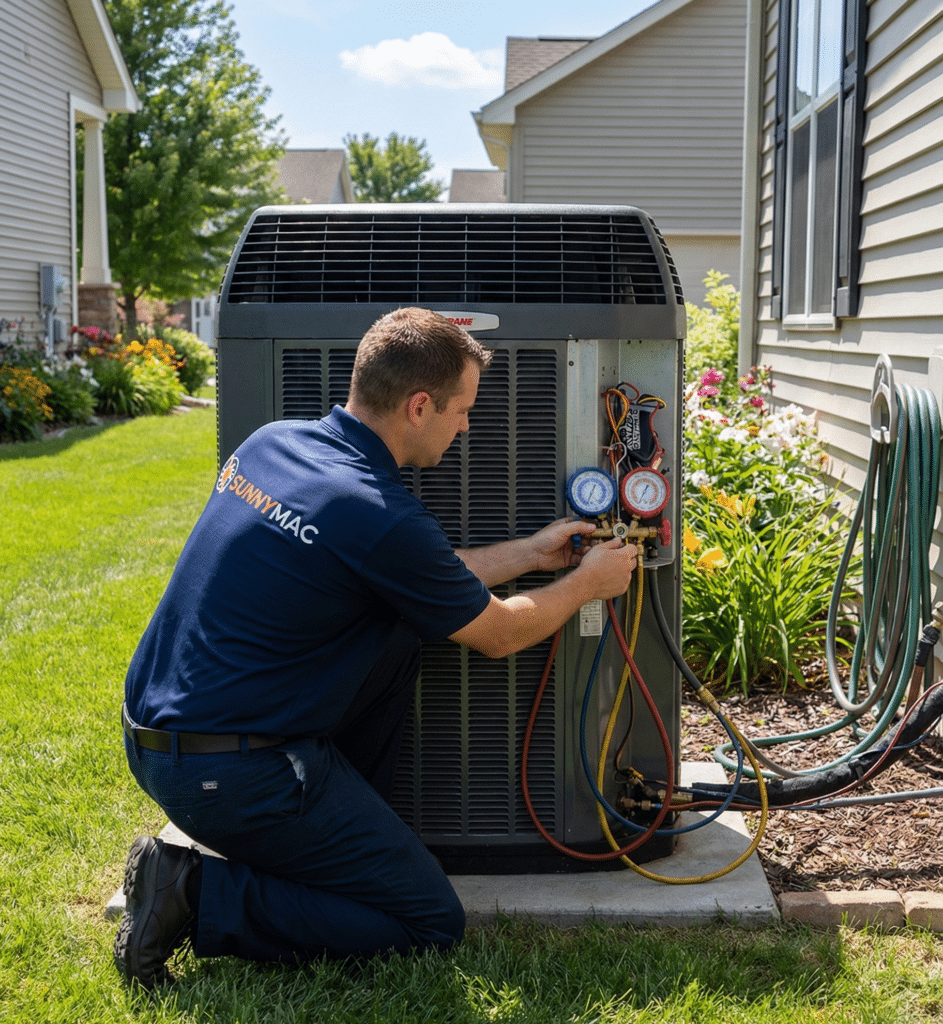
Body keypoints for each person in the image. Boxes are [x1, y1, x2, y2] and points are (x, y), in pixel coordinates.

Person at [115, 307, 638, 988]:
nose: (467, 425)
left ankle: (324, 835)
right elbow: (500, 633)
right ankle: (188, 892)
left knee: (394, 629)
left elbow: (413, 573)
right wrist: (585, 584)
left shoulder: (274, 444)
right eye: (461, 409)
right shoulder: (378, 512)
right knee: (425, 921)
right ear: (419, 406)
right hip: (231, 776)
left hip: (159, 737)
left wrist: (532, 553)